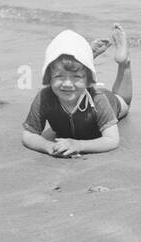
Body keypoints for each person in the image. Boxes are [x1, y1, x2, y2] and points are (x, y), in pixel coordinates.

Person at [21, 27, 132, 157]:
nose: (67, 84)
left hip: (103, 98)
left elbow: (112, 140)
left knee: (124, 101)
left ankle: (124, 63)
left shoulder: (98, 99)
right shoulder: (45, 97)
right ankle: (82, 61)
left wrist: (79, 145)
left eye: (75, 77)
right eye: (59, 76)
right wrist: (48, 146)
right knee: (74, 72)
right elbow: (28, 134)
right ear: (48, 78)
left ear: (88, 81)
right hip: (81, 88)